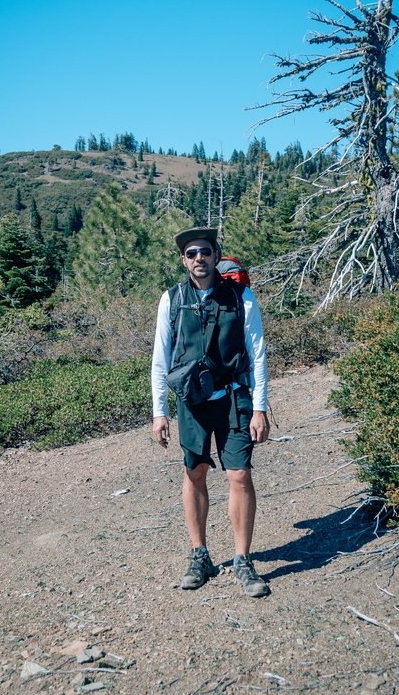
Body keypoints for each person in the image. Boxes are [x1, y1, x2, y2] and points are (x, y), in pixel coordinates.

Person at [151, 227, 270, 597]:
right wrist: (159, 413)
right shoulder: (171, 300)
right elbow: (160, 360)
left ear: (216, 256)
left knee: (239, 476)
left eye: (205, 251)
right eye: (191, 253)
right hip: (192, 404)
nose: (198, 258)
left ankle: (242, 560)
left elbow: (259, 354)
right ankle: (199, 554)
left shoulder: (241, 296)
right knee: (194, 472)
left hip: (236, 400)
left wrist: (261, 408)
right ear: (183, 260)